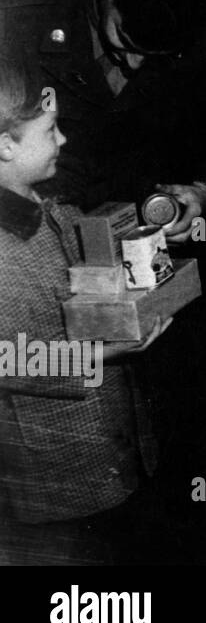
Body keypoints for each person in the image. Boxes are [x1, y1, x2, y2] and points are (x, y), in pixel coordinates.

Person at [0, 0, 206, 255]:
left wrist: (203, 191)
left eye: (160, 54)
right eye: (126, 41)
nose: (138, 65)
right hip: (34, 226)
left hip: (156, 225)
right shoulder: (15, 7)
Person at [0, 56, 164, 564]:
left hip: (115, 446)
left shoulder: (37, 200)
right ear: (5, 145)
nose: (64, 141)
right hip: (57, 480)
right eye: (50, 131)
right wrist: (102, 355)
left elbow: (71, 233)